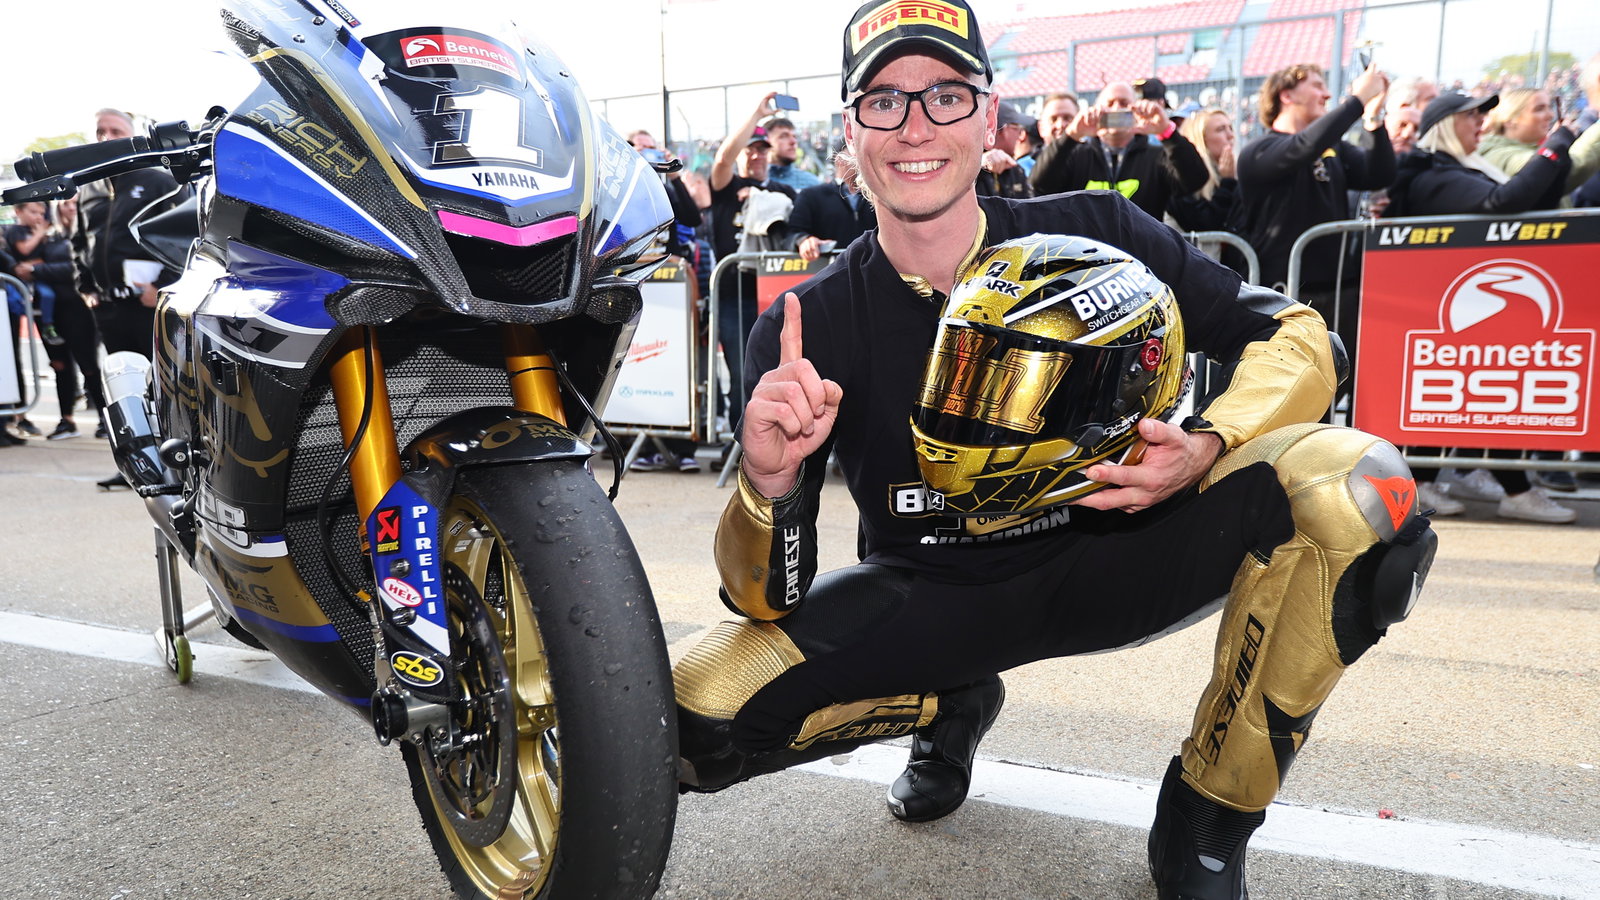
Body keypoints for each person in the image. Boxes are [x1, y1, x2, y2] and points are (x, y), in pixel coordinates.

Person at [671, 4, 1436, 899]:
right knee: (686, 717)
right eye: (884, 101)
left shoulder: (1098, 228)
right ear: (850, 131)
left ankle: (1210, 810)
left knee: (1361, 488)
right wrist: (770, 479)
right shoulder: (806, 323)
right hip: (938, 593)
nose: (916, 125)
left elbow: (1301, 336)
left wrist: (1207, 441)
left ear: (990, 116)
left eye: (946, 96)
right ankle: (950, 704)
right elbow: (768, 597)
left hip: (1119, 554)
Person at [1387, 91, 1578, 524]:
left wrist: (1558, 152)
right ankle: (1489, 485)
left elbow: (1527, 197)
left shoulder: (1460, 167)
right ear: (1444, 126)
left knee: (1475, 390)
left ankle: (1493, 483)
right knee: (1456, 391)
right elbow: (1502, 202)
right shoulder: (1432, 172)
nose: (1481, 123)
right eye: (1470, 116)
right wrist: (1558, 142)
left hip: (1462, 304)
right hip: (1443, 305)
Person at [1232, 62, 1393, 381]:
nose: (1327, 93)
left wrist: (1373, 117)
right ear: (1287, 94)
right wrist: (1357, 100)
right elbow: (1302, 147)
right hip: (1283, 294)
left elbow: (1380, 174)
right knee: (1286, 385)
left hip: (1337, 292)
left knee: (1337, 386)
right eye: (1317, 85)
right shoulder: (1258, 151)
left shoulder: (1333, 149)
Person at [80, 108, 185, 488]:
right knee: (123, 391)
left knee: (159, 386)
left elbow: (186, 235)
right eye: (100, 131)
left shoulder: (160, 181)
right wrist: (86, 287)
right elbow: (82, 241)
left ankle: (172, 467)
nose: (106, 137)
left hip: (150, 305)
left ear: (132, 134)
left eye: (115, 130)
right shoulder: (88, 186)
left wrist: (166, 286)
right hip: (109, 307)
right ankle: (134, 466)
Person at [709, 95, 798, 422]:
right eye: (751, 148)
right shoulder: (727, 186)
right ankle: (738, 445)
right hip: (734, 296)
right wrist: (758, 113)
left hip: (775, 294)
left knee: (775, 370)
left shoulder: (784, 192)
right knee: (740, 370)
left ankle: (773, 438)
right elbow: (722, 159)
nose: (757, 155)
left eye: (762, 149)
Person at [627, 130, 706, 473]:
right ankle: (637, 443)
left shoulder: (666, 188)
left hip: (671, 289)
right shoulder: (622, 189)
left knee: (676, 361)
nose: (647, 154)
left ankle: (681, 445)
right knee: (637, 363)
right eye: (639, 148)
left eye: (651, 147)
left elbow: (693, 218)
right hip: (633, 288)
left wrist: (673, 175)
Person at [1029, 80, 1210, 220]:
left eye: (1124, 103)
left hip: (1140, 258)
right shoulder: (1077, 155)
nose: (1116, 109)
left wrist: (1167, 132)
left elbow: (1196, 179)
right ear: (1097, 110)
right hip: (1085, 260)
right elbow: (1040, 183)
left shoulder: (1155, 156)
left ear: (1136, 109)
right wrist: (1071, 136)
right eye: (1110, 103)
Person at [10, 198, 104, 440]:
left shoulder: (86, 232)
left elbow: (77, 268)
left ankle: (106, 420)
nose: (71, 208)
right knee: (59, 366)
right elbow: (22, 261)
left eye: (75, 204)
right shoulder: (46, 234)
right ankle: (67, 420)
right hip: (49, 311)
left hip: (78, 308)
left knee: (89, 366)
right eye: (66, 204)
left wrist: (38, 269)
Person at [1478, 88, 1600, 204]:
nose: (1551, 115)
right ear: (1510, 120)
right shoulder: (1496, 153)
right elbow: (1554, 173)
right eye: (1539, 109)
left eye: (1549, 107)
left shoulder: (1529, 147)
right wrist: (1559, 142)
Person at [785, 152, 877, 262]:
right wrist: (804, 240)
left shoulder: (878, 195)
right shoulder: (811, 195)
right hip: (827, 269)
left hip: (874, 269)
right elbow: (792, 234)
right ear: (839, 159)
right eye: (854, 150)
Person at [1166, 107, 1238, 232]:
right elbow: (1204, 223)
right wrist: (1227, 182)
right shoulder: (1184, 175)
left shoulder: (1233, 170)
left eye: (1230, 128)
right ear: (1201, 139)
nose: (1230, 135)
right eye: (1220, 129)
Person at [975, 101, 1034, 199]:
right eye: (1018, 130)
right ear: (1004, 130)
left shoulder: (1016, 170)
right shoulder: (969, 172)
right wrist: (979, 165)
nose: (1020, 137)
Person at [762, 117, 823, 193]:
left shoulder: (812, 183)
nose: (793, 141)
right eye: (784, 136)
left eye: (794, 136)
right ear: (765, 142)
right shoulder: (752, 181)